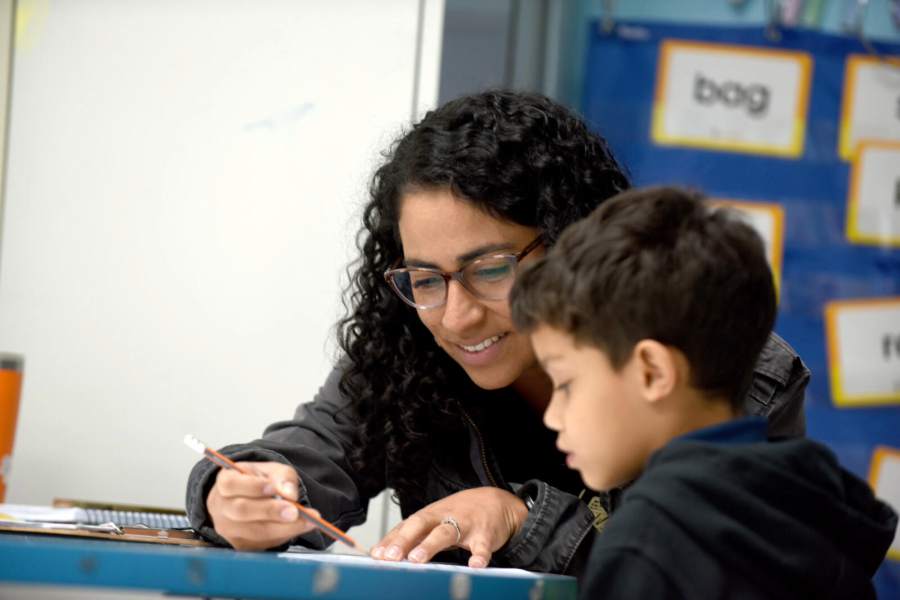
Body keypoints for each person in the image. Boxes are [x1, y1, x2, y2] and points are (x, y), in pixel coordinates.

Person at [185, 90, 810, 574]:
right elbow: (312, 453)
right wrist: (242, 490)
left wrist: (523, 516)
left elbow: (715, 561)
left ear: (570, 243)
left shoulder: (727, 370)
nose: (455, 316)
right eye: (425, 278)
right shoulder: (404, 347)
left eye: (488, 270)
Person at [508, 186, 897, 597]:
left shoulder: (649, 537)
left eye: (566, 384)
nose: (553, 415)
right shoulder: (813, 505)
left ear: (652, 372)